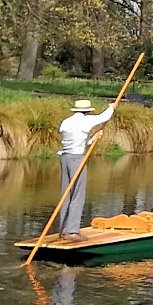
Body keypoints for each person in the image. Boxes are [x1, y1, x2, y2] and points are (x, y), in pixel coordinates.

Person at [55, 97, 115, 238]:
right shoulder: (86, 121)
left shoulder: (66, 122)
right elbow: (104, 116)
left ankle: (64, 229)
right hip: (77, 159)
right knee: (77, 194)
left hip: (65, 158)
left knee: (66, 193)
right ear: (87, 111)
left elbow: (76, 140)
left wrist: (93, 139)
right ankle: (72, 231)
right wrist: (112, 107)